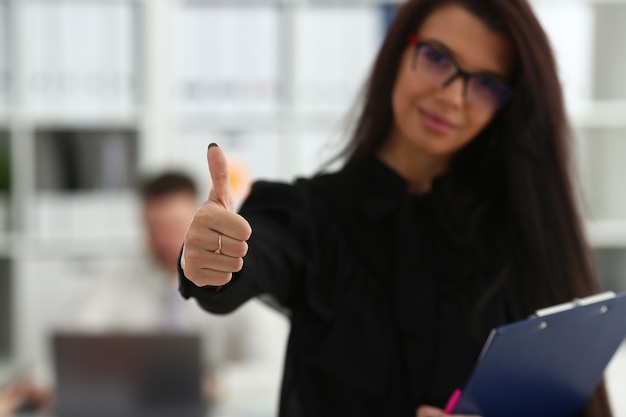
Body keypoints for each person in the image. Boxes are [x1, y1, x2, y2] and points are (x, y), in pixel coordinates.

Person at [178, 0, 613, 416]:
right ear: (398, 49)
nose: (453, 97)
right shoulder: (314, 215)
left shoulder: (519, 236)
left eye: (485, 84)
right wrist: (212, 259)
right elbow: (260, 251)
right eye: (438, 59)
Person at [0, 172, 287, 416]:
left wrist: (211, 383)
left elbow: (274, 370)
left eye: (173, 226)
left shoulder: (239, 283)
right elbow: (72, 344)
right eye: (152, 228)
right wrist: (35, 385)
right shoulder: (119, 286)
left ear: (198, 222)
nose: (161, 240)